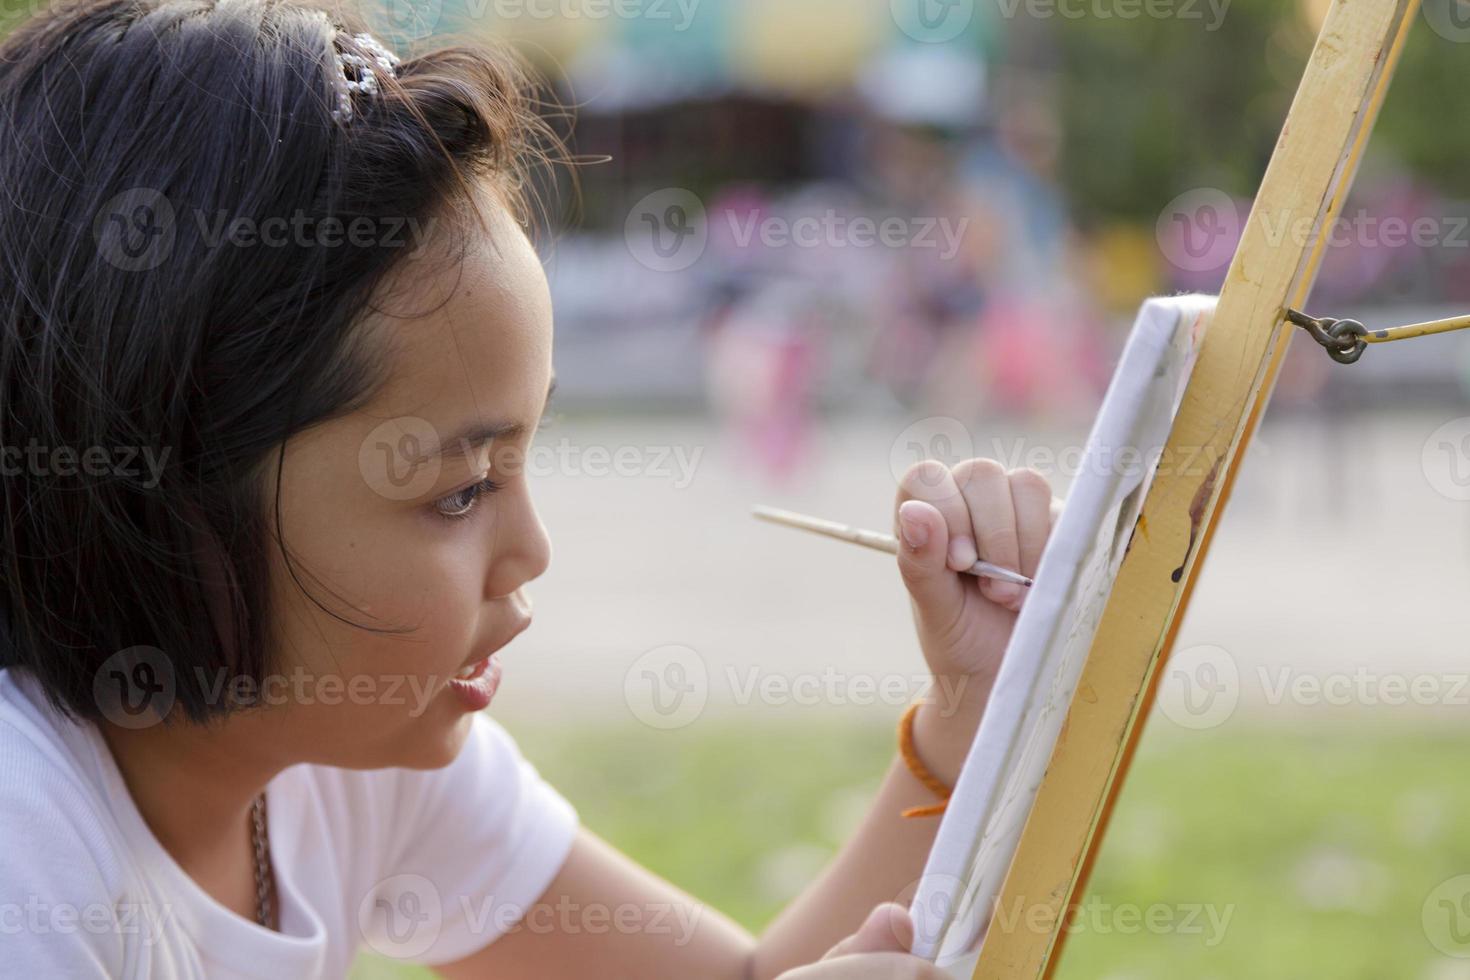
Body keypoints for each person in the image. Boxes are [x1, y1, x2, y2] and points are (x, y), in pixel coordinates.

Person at [0, 2, 1057, 976]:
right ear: (161, 490)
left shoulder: (356, 753)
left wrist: (968, 719)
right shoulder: (26, 850)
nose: (533, 549)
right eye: (460, 489)